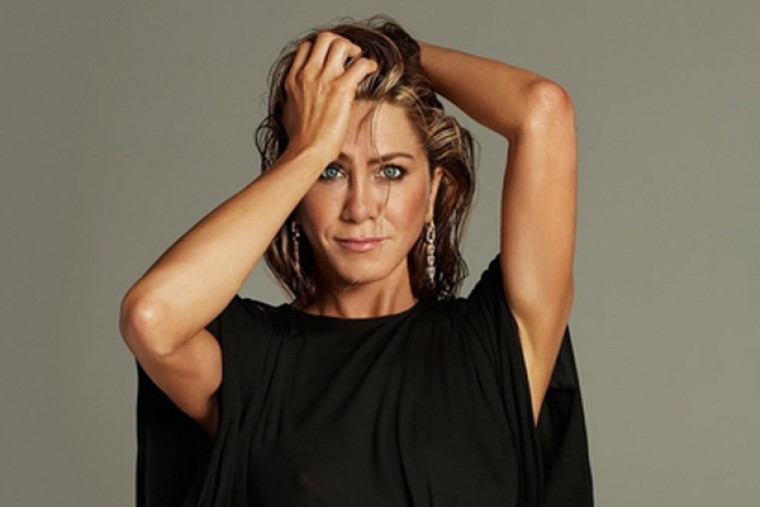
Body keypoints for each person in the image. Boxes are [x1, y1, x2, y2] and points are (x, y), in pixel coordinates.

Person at [120, 15, 593, 507]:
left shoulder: (497, 343)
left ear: (433, 191)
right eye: (331, 172)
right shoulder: (254, 361)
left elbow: (542, 109)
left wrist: (389, 50)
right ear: (293, 192)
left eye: (391, 171)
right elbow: (150, 318)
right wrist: (307, 150)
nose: (361, 207)